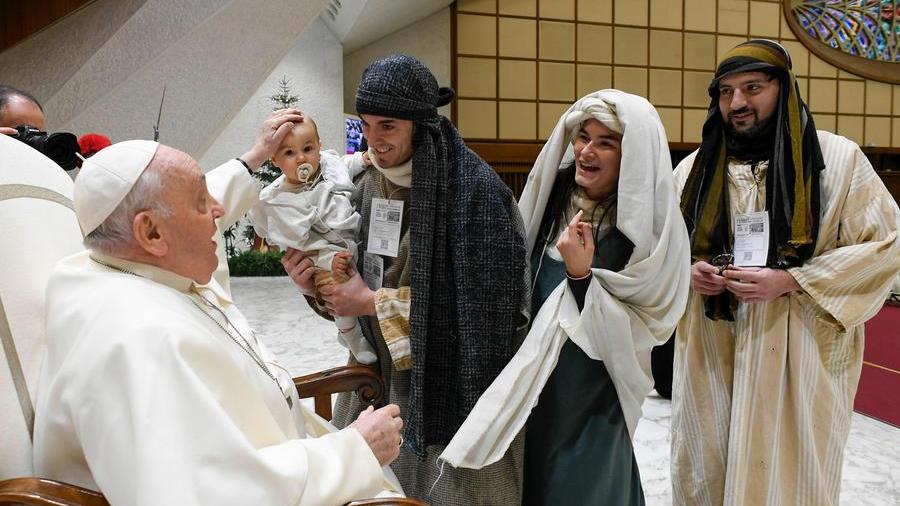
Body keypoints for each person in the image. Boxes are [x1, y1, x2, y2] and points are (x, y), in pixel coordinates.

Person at [32, 109, 408, 505]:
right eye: (200, 201)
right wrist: (354, 452)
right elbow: (205, 492)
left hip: (291, 450)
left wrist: (256, 156)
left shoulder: (123, 265)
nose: (217, 212)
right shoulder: (137, 342)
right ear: (151, 231)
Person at [282, 55, 529, 504]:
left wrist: (375, 302)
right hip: (380, 383)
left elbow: (489, 319)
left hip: (456, 395)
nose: (374, 140)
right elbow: (350, 280)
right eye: (366, 124)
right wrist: (315, 286)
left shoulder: (477, 195)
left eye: (388, 126)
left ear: (421, 124)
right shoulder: (367, 186)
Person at [671, 39, 900, 505]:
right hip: (712, 349)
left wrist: (794, 279)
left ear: (784, 88)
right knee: (706, 469)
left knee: (791, 476)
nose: (738, 103)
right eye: (726, 92)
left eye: (753, 88)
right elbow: (662, 251)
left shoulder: (837, 162)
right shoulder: (693, 170)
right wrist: (688, 271)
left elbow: (885, 246)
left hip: (802, 350)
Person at [440, 90, 691, 505]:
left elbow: (650, 322)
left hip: (592, 395)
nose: (586, 151)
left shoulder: (653, 235)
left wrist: (581, 275)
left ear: (634, 158)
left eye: (605, 143)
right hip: (535, 383)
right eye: (582, 137)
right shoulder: (549, 203)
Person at [250, 117, 377, 364]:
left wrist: (363, 159)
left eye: (308, 149)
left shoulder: (330, 168)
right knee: (335, 288)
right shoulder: (275, 198)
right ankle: (351, 334)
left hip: (350, 238)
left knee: (351, 279)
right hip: (320, 255)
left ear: (319, 146)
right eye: (289, 152)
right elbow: (263, 226)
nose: (301, 158)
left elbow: (346, 163)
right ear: (274, 160)